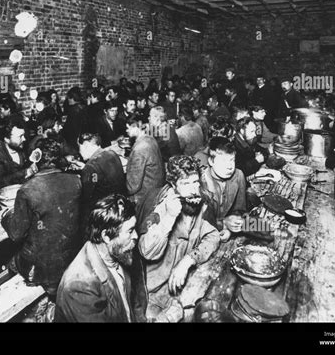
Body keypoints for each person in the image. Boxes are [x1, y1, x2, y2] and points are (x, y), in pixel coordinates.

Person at [137, 155, 220, 322]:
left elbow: (213, 235)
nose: (193, 189)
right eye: (185, 183)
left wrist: (189, 259)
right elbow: (146, 252)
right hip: (151, 295)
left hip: (180, 286)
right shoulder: (159, 208)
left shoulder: (198, 203)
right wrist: (169, 217)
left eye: (195, 182)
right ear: (173, 185)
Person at [2, 138, 82, 300]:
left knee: (8, 263)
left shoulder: (27, 190)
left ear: (35, 160)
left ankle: (26, 301)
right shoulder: (76, 181)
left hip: (42, 266)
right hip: (71, 255)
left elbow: (16, 234)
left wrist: (6, 215)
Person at [55, 194, 147, 322]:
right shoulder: (79, 285)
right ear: (106, 237)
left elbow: (131, 306)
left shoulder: (118, 253)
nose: (136, 236)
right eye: (130, 231)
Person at [200, 137, 246, 238]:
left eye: (232, 160)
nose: (229, 166)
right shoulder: (201, 182)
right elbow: (202, 222)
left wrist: (231, 228)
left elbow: (240, 210)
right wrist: (225, 224)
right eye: (223, 161)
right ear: (211, 162)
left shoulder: (238, 175)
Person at [77, 133, 126, 223]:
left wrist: (85, 172)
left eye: (79, 147)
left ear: (86, 145)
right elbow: (98, 177)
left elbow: (86, 197)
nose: (79, 152)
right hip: (117, 207)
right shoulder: (112, 154)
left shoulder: (91, 166)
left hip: (102, 213)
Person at [0, 119, 38, 190]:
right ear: (7, 139)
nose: (24, 139)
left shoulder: (21, 148)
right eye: (20, 136)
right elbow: (0, 183)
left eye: (24, 135)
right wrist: (26, 172)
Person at [126, 119, 165, 207]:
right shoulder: (150, 139)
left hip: (143, 197)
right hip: (155, 189)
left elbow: (133, 186)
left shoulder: (139, 149)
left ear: (137, 128)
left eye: (129, 128)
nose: (126, 130)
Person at [63, 87, 88, 152]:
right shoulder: (84, 106)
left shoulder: (73, 110)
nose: (67, 100)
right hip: (82, 137)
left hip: (73, 139)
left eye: (68, 98)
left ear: (72, 98)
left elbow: (69, 128)